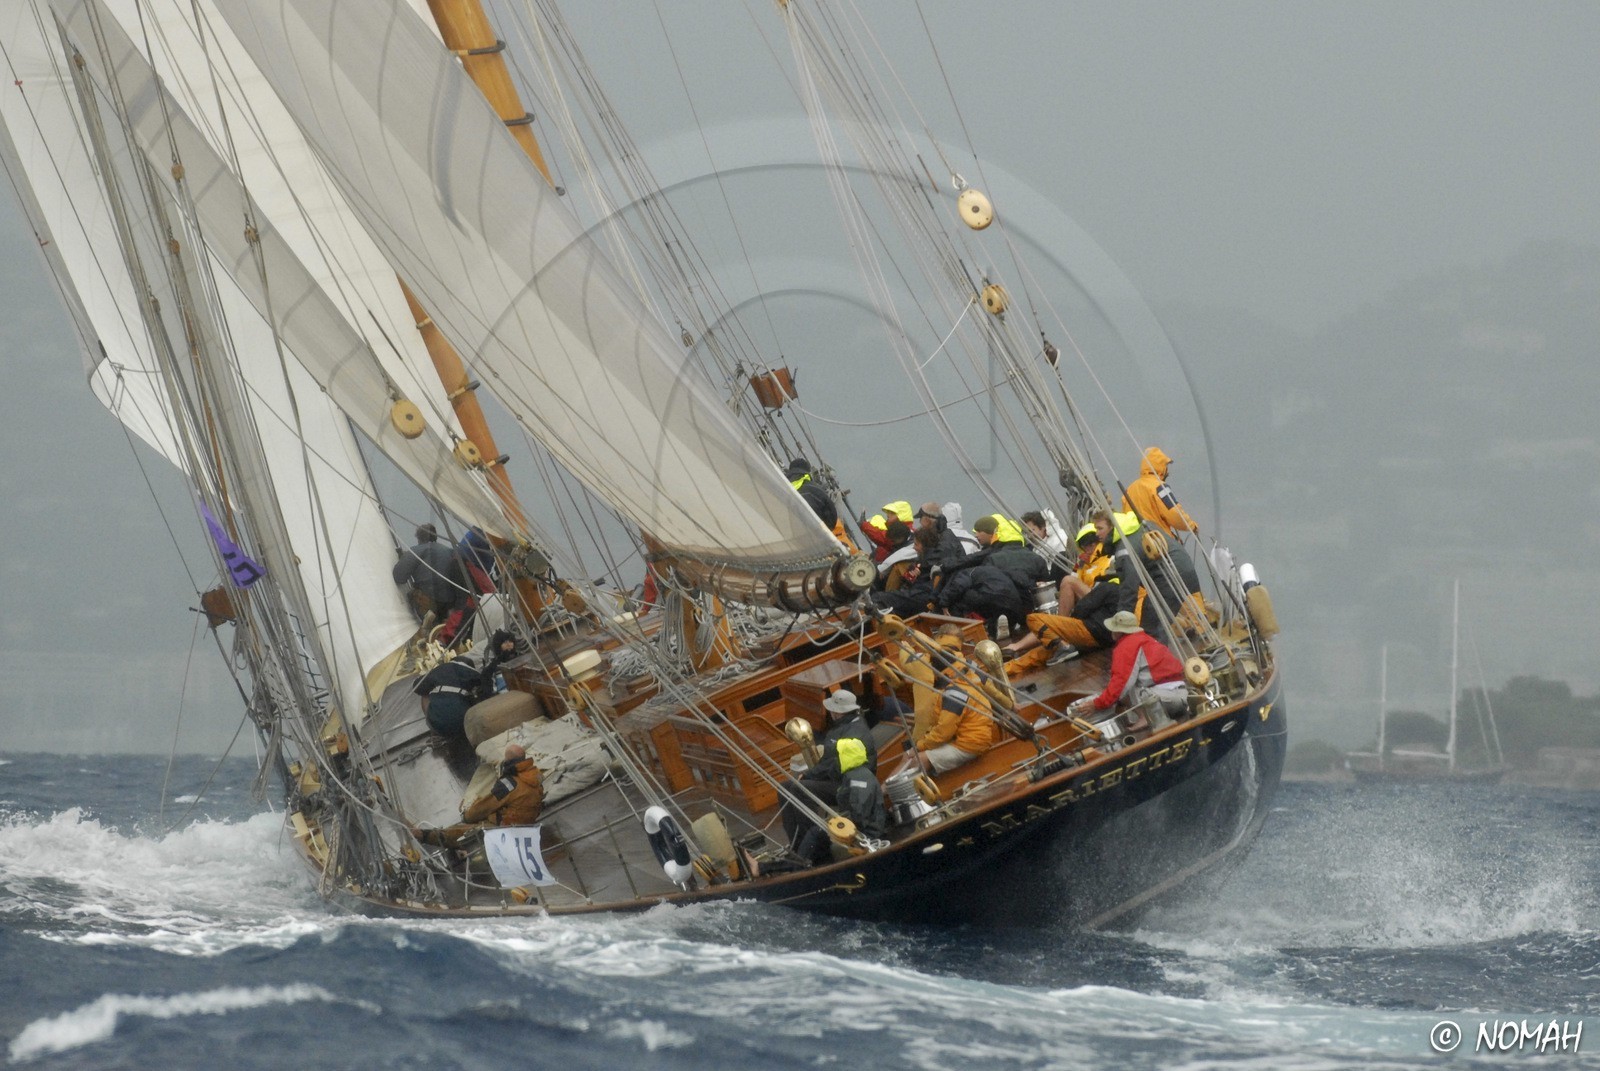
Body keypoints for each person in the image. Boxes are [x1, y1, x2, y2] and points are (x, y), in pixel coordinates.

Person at [781, 690, 887, 863]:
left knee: (800, 790)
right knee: (785, 788)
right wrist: (810, 775)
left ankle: (816, 849)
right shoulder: (842, 727)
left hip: (846, 785)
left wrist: (809, 775)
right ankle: (798, 846)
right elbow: (829, 761)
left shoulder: (855, 733)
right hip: (836, 779)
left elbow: (837, 766)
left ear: (837, 711)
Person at [412, 744, 545, 848]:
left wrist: (467, 816)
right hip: (527, 825)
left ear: (508, 761)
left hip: (506, 830)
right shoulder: (534, 775)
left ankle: (424, 836)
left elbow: (483, 808)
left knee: (459, 832)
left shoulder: (508, 784)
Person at [1068, 610, 1188, 719]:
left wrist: (1096, 704)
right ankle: (1144, 717)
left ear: (1118, 631)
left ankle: (1144, 719)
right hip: (1181, 693)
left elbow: (1121, 683)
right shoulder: (1146, 639)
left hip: (1163, 699)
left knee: (1124, 692)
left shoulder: (1126, 646)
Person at [913, 628, 1001, 773]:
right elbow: (992, 691)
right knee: (914, 754)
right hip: (967, 735)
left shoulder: (953, 694)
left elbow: (944, 731)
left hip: (970, 743)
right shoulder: (963, 675)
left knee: (919, 758)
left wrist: (920, 745)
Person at [412, 635, 516, 737]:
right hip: (465, 723)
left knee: (425, 694)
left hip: (440, 724)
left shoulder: (442, 669)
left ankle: (436, 732)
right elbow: (485, 685)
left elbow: (416, 687)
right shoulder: (474, 673)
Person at [393, 523, 467, 632]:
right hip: (450, 604)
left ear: (418, 538)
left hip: (430, 602)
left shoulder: (416, 551)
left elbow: (399, 576)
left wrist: (405, 560)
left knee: (411, 595)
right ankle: (440, 625)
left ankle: (426, 626)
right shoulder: (449, 551)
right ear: (435, 536)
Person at [1122, 446, 1198, 537]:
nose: (1167, 471)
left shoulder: (1129, 489)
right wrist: (1192, 526)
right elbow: (1175, 514)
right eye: (1165, 466)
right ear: (1160, 467)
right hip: (1158, 539)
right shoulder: (1160, 488)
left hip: (1136, 540)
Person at [785, 457, 838, 531]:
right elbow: (832, 516)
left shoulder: (781, 487)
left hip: (789, 534)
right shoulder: (817, 490)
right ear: (808, 472)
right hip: (815, 533)